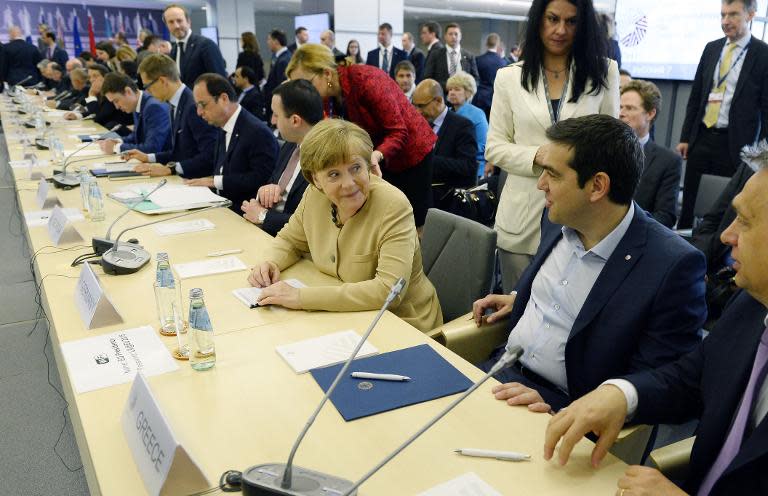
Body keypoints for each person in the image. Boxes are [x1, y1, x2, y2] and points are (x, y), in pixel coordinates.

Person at [542, 140, 768, 496]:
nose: (727, 236)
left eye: (746, 221)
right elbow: (690, 379)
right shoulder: (751, 306)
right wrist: (621, 394)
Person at [473, 114, 706, 413]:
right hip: (499, 370)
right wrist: (522, 299)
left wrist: (564, 408)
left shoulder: (672, 266)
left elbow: (666, 385)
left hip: (565, 410)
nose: (540, 185)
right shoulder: (559, 218)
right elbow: (564, 294)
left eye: (553, 175)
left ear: (597, 186)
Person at [247, 119, 442, 333]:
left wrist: (300, 297)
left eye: (356, 168)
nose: (349, 183)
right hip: (345, 320)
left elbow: (388, 291)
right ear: (316, 180)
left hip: (401, 324)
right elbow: (290, 241)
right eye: (334, 174)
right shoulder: (314, 195)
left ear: (368, 165)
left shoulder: (393, 206)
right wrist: (270, 262)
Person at [486, 0, 620, 293]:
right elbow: (494, 147)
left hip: (581, 215)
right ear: (538, 20)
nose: (561, 30)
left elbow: (612, 146)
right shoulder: (509, 77)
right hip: (521, 219)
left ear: (583, 25)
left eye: (571, 21)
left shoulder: (604, 72)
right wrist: (540, 156)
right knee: (516, 312)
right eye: (553, 19)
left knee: (568, 314)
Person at [287, 44, 437, 228]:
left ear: (326, 73)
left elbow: (398, 131)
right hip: (378, 153)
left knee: (412, 218)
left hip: (413, 154)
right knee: (383, 214)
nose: (305, 93)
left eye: (306, 84)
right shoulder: (328, 96)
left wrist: (376, 154)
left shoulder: (367, 80)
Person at [677, 0, 768, 229]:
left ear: (751, 15)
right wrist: (686, 136)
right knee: (689, 202)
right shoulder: (711, 48)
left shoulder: (762, 54)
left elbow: (766, 109)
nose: (725, 21)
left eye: (733, 15)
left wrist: (762, 155)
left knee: (724, 209)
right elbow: (696, 96)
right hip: (702, 137)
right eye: (723, 15)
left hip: (735, 144)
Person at [189, 73, 278, 211]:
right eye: (197, 106)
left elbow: (261, 179)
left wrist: (215, 181)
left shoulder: (257, 132)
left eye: (203, 105)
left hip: (242, 212)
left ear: (224, 99)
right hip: (221, 206)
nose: (199, 112)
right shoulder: (222, 125)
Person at [241, 79, 318, 235]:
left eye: (276, 115)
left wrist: (263, 216)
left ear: (295, 120)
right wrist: (266, 191)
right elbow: (272, 182)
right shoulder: (291, 143)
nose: (272, 121)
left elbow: (314, 223)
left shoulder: (325, 157)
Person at [122, 54, 218, 179]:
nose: (147, 92)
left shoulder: (192, 106)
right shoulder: (175, 103)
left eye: (147, 86)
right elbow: (179, 152)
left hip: (196, 181)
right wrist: (148, 157)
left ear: (162, 81)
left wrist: (170, 169)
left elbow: (209, 155)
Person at [692, 162, 755, 320]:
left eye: (745, 221)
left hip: (747, 290)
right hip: (714, 270)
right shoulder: (751, 166)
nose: (726, 236)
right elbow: (711, 222)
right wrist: (695, 266)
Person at [620, 80, 681, 228]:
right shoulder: (600, 150)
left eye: (629, 108)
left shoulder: (667, 161)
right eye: (620, 107)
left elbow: (665, 216)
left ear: (650, 113)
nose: (621, 113)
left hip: (638, 236)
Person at [413, 79, 477, 209]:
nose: (418, 111)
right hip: (420, 198)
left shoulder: (463, 126)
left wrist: (429, 160)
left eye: (422, 106)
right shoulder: (418, 124)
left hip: (448, 203)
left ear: (438, 100)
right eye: (415, 106)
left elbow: (468, 167)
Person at [98, 72, 172, 155]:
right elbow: (136, 136)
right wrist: (118, 141)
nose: (116, 107)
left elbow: (152, 148)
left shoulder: (153, 107)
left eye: (116, 101)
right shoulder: (138, 103)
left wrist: (116, 148)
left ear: (128, 91)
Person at [164, 3, 227, 86]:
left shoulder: (206, 45)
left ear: (188, 22)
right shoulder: (174, 50)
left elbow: (220, 81)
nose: (176, 26)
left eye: (179, 20)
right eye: (171, 22)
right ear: (167, 25)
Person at [63, 63, 133, 134]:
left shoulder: (112, 93)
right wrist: (78, 115)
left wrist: (91, 94)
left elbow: (98, 117)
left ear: (105, 77)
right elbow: (96, 111)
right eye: (90, 77)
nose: (92, 80)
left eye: (95, 76)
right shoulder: (98, 92)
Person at [447, 72, 488, 179]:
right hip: (451, 167)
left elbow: (483, 145)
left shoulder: (477, 114)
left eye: (457, 89)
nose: (452, 92)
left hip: (473, 169)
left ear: (468, 93)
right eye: (450, 89)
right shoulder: (447, 113)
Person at [423, 22, 479, 92]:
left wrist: (466, 88)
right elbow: (428, 77)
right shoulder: (436, 54)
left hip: (463, 97)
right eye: (450, 34)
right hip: (442, 96)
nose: (453, 37)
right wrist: (448, 86)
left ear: (460, 36)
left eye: (456, 34)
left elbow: (476, 79)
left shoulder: (468, 56)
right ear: (445, 36)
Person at [474, 33, 507, 118]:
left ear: (486, 44)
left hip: (480, 97)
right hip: (496, 98)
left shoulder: (478, 60)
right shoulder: (503, 62)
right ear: (498, 44)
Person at [264, 30, 291, 122]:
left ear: (276, 41)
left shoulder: (284, 60)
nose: (267, 42)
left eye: (269, 39)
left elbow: (282, 86)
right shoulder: (277, 57)